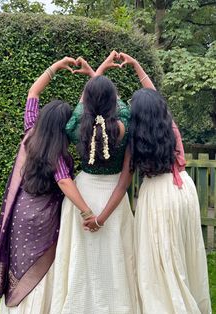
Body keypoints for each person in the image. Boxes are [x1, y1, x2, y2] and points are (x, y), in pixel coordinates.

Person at [98, 52, 212, 314]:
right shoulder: (169, 126)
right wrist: (137, 66)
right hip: (184, 189)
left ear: (136, 115)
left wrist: (102, 215)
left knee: (159, 257)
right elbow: (153, 91)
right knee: (183, 250)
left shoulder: (134, 138)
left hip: (159, 197)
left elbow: (123, 182)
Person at [0, 57, 93, 314]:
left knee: (21, 264)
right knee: (41, 268)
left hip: (21, 212)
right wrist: (87, 211)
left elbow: (34, 91)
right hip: (43, 219)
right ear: (65, 126)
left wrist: (55, 67)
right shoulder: (58, 154)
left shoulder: (31, 132)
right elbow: (65, 182)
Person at [50, 52, 137, 313]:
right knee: (116, 256)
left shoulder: (76, 124)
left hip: (83, 194)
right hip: (114, 196)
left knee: (81, 256)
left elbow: (84, 100)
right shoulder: (126, 122)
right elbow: (125, 179)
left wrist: (94, 73)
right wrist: (101, 218)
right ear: (114, 100)